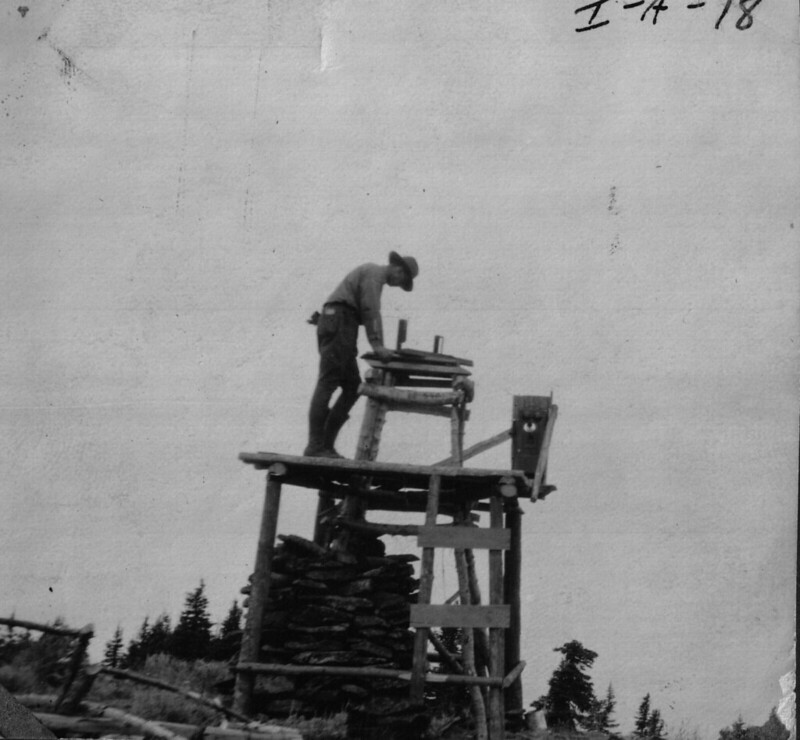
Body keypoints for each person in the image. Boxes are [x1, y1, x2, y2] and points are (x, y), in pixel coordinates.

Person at [304, 251, 419, 458]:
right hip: (339, 322)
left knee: (352, 387)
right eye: (402, 281)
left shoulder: (374, 276)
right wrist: (378, 346)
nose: (397, 285)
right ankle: (315, 446)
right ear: (398, 270)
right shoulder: (374, 274)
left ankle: (325, 446)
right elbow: (370, 310)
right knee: (328, 382)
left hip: (342, 325)